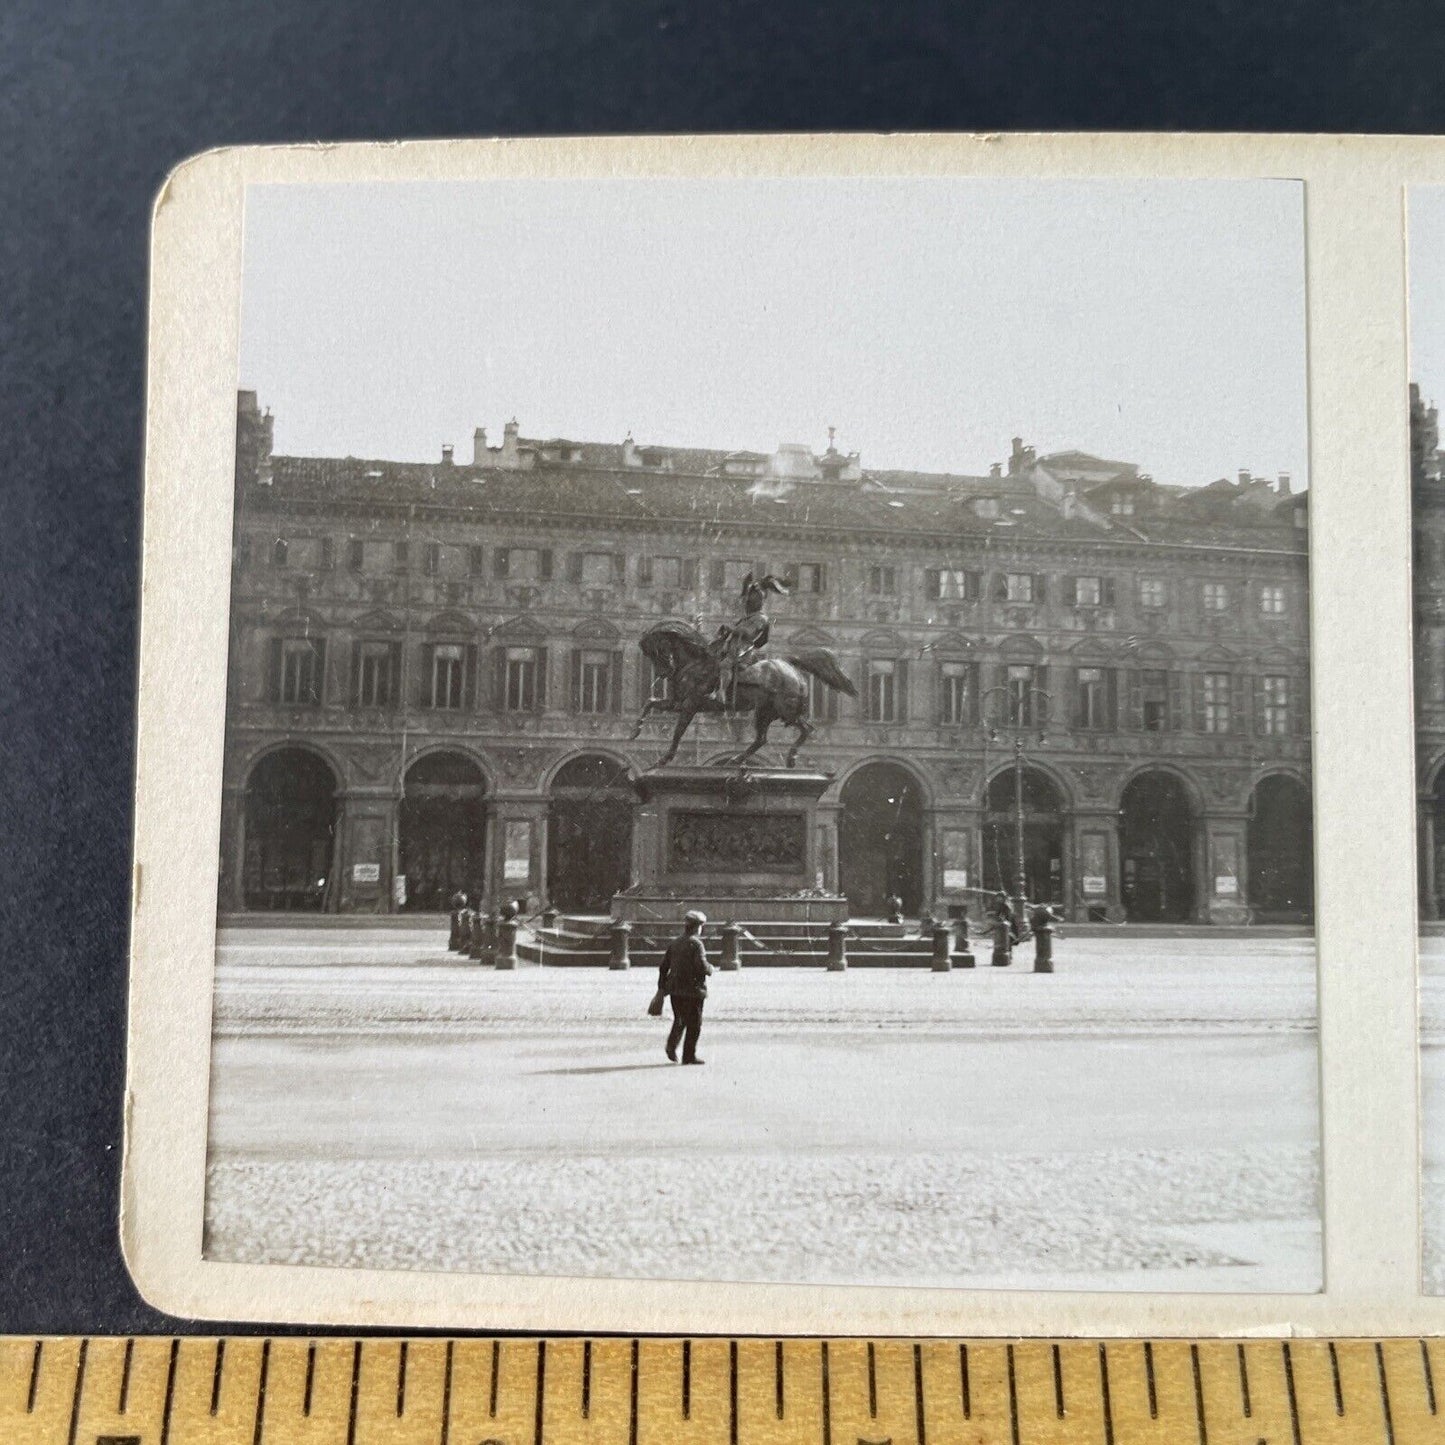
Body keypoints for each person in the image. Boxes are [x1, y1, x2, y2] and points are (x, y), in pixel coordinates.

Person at [715, 572, 789, 709]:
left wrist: (732, 629)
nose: (748, 601)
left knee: (725, 664)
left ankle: (721, 693)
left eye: (751, 599)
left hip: (744, 649)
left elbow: (748, 633)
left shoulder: (761, 618)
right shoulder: (748, 617)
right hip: (735, 645)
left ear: (758, 602)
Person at [658, 909, 713, 1064]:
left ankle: (671, 1046)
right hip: (693, 990)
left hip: (675, 989)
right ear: (697, 927)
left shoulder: (675, 943)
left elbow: (663, 966)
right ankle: (688, 1056)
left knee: (680, 1019)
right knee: (694, 1024)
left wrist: (662, 987)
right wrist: (710, 969)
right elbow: (701, 966)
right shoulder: (696, 944)